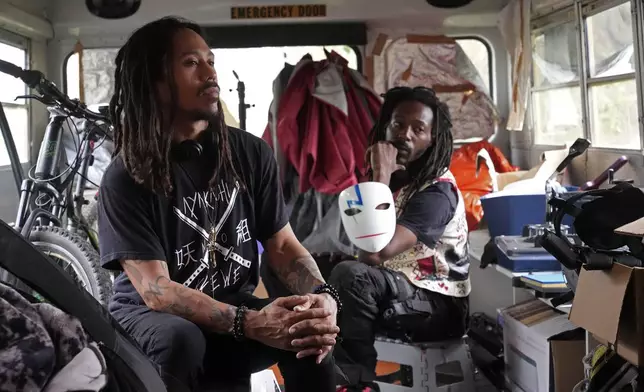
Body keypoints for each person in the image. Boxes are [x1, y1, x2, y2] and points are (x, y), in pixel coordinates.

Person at [97, 16, 342, 392]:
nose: (210, 73)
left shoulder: (250, 153)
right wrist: (250, 321)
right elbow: (156, 289)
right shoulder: (126, 176)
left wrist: (323, 297)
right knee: (183, 339)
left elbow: (282, 245)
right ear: (155, 81)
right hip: (152, 318)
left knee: (308, 331)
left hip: (232, 306)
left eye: (210, 61)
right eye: (191, 63)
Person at [329, 86, 470, 392]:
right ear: (386, 128)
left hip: (439, 305)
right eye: (398, 124)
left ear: (431, 138)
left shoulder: (437, 192)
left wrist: (380, 174)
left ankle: (356, 385)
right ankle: (328, 376)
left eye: (418, 129)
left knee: (352, 277)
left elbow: (375, 253)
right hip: (404, 289)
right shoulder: (401, 183)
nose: (405, 134)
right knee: (324, 272)